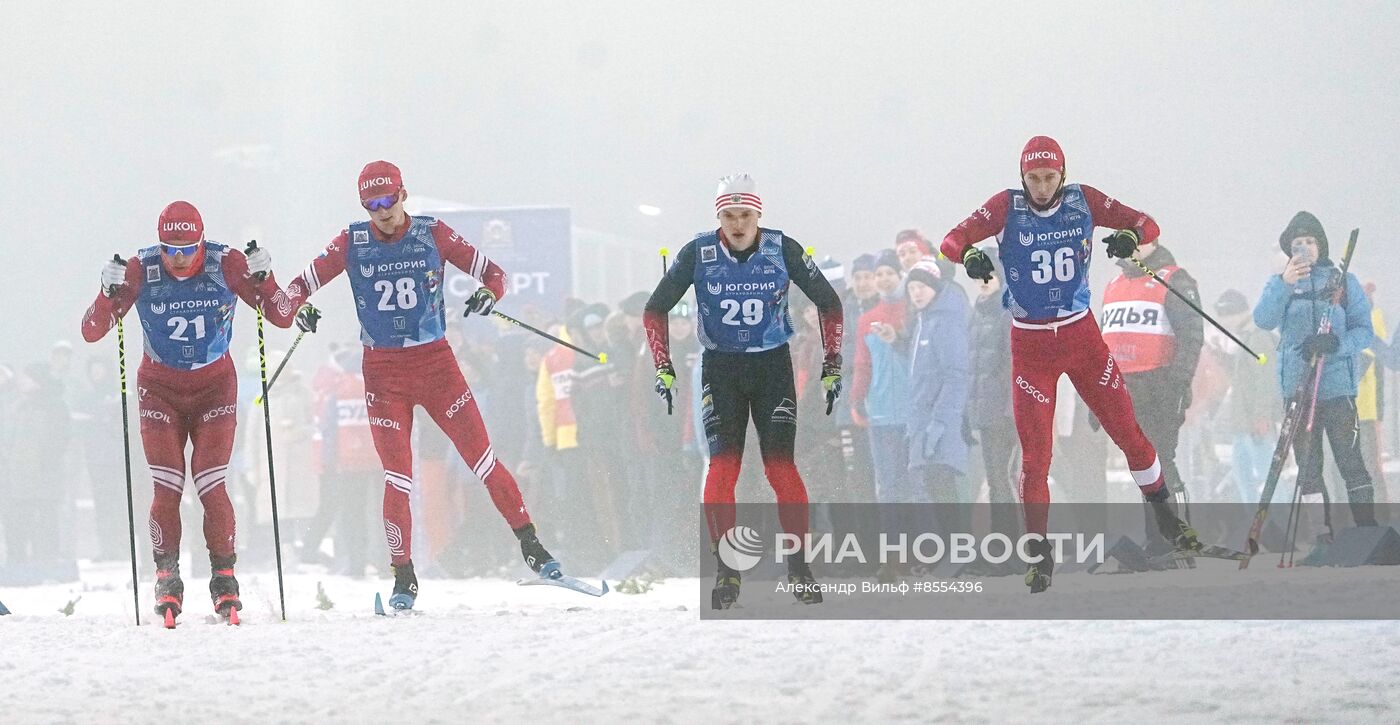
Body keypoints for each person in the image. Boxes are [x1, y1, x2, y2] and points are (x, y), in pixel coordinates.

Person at [278, 161, 563, 610]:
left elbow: (497, 276)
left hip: (436, 366)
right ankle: (403, 578)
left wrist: (489, 294)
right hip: (384, 373)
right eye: (371, 205)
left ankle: (533, 548)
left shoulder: (433, 233)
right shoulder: (351, 241)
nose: (382, 212)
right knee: (398, 476)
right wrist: (294, 309)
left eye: (388, 201)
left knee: (482, 459)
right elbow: (295, 288)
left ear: (403, 194)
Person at [940, 136, 1201, 593]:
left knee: (1130, 437)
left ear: (1063, 173)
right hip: (1032, 346)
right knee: (1036, 458)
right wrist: (970, 254)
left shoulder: (1084, 199)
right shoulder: (1006, 206)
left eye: (1050, 177)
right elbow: (951, 239)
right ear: (1022, 178)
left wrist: (1129, 235)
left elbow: (1147, 223)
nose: (1042, 187)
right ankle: (1038, 556)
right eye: (1034, 179)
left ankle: (1169, 521)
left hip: (1082, 340)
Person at [79, 201, 301, 622]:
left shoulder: (227, 262)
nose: (178, 258)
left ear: (202, 240)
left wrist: (267, 278)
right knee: (167, 486)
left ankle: (224, 578)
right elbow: (92, 332)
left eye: (187, 248)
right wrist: (105, 292)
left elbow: (283, 317)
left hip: (214, 388)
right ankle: (167, 578)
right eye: (169, 248)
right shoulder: (142, 268)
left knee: (210, 484)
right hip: (159, 389)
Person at [642, 174, 843, 609]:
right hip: (722, 367)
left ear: (758, 215)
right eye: (728, 216)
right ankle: (726, 571)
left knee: (779, 466)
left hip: (772, 366)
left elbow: (829, 302)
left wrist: (832, 363)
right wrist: (664, 366)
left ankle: (800, 566)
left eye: (745, 215)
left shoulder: (781, 247)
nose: (737, 224)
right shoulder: (699, 252)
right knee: (723, 466)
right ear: (718, 216)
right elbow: (655, 308)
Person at [1253, 211, 1376, 528]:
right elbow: (1263, 320)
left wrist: (1336, 344)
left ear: (1321, 245)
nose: (1305, 248)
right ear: (1289, 250)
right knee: (1308, 468)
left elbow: (1364, 330)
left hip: (1337, 390)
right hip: (1298, 389)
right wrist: (1283, 284)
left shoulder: (1343, 281)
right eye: (1297, 244)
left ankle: (1367, 529)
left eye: (1310, 241)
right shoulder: (1278, 283)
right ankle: (1323, 533)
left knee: (1350, 462)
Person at [1100, 238, 1203, 552]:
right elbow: (1103, 342)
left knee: (1161, 461)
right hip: (1124, 387)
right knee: (1142, 465)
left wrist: (1178, 383)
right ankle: (1156, 538)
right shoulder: (1114, 284)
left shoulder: (1175, 279)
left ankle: (1177, 537)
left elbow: (1192, 335)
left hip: (1160, 384)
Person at [965, 246, 1021, 542]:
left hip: (1005, 412)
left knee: (1007, 477)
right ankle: (1003, 540)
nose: (984, 280)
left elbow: (1015, 364)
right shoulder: (977, 312)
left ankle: (1018, 541)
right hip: (985, 413)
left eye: (990, 274)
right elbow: (971, 368)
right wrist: (967, 412)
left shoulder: (1009, 312)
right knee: (996, 479)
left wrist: (1013, 410)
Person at [1213, 290, 1281, 503]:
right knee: (1244, 478)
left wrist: (1262, 417)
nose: (1222, 322)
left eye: (1223, 316)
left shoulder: (1258, 337)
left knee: (1267, 477)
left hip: (1254, 423)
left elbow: (1265, 379)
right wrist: (1223, 358)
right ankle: (1254, 525)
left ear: (1233, 313)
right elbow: (1246, 371)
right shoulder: (1248, 337)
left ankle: (1284, 521)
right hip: (1243, 423)